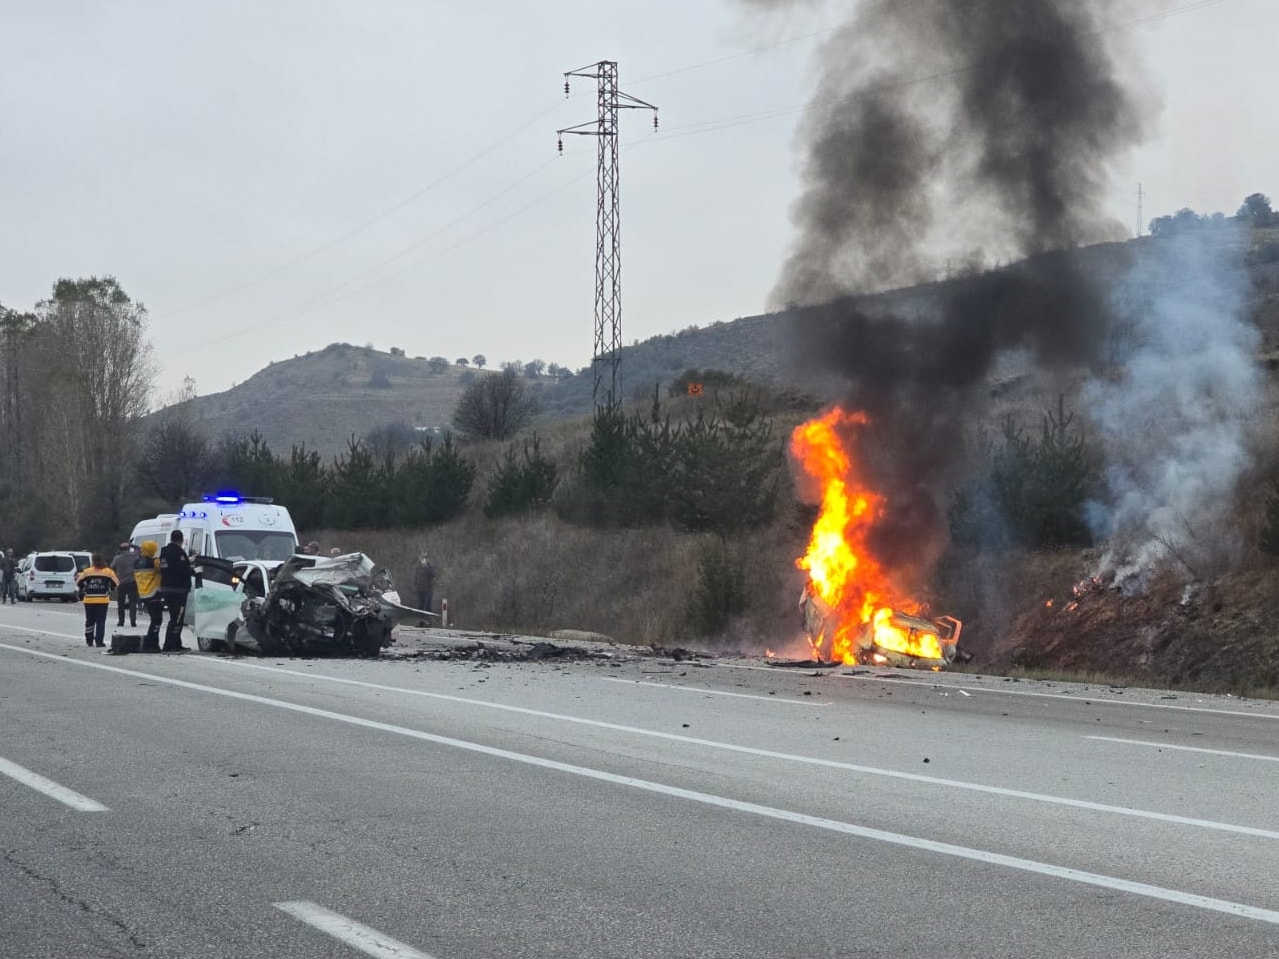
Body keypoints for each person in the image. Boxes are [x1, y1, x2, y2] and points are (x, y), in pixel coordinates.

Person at [158, 529, 194, 652]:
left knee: (176, 617)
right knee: (177, 618)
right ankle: (170, 645)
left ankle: (176, 643)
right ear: (181, 540)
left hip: (167, 588)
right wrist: (193, 570)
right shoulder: (178, 553)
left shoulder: (164, 552)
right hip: (177, 590)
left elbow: (169, 568)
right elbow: (181, 570)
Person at [76, 554, 119, 648]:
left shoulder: (87, 572)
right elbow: (116, 583)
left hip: (89, 599)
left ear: (93, 561)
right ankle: (99, 641)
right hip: (103, 600)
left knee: (89, 621)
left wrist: (85, 588)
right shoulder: (108, 572)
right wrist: (110, 588)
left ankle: (89, 640)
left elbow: (79, 582)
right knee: (101, 621)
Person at [134, 541, 163, 648]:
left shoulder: (136, 562)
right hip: (153, 593)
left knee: (154, 619)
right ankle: (151, 643)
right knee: (157, 619)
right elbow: (162, 568)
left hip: (143, 594)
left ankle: (151, 642)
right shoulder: (154, 562)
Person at [111, 541, 139, 628]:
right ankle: (133, 621)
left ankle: (121, 621)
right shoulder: (134, 556)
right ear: (128, 548)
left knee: (121, 603)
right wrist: (131, 544)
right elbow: (139, 549)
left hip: (121, 582)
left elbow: (112, 566)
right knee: (132, 602)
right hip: (132, 581)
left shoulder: (117, 558)